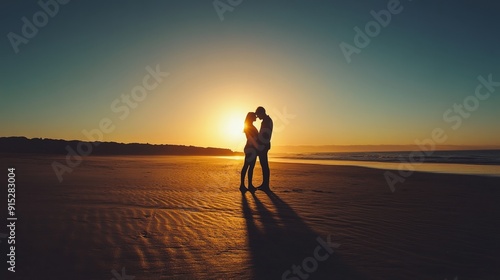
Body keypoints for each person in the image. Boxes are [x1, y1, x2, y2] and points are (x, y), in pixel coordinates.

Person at [255, 106, 273, 191]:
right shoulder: (266, 120)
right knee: (264, 164)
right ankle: (264, 184)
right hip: (264, 145)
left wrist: (261, 144)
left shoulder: (267, 121)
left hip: (263, 145)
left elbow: (266, 135)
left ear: (262, 113)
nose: (258, 117)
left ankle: (266, 185)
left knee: (264, 164)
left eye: (258, 115)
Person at [240, 112, 259, 192]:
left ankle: (249, 185)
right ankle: (243, 185)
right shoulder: (248, 126)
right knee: (247, 166)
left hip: (251, 148)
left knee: (250, 167)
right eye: (255, 116)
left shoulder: (250, 126)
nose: (256, 117)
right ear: (251, 117)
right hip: (250, 149)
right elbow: (250, 138)